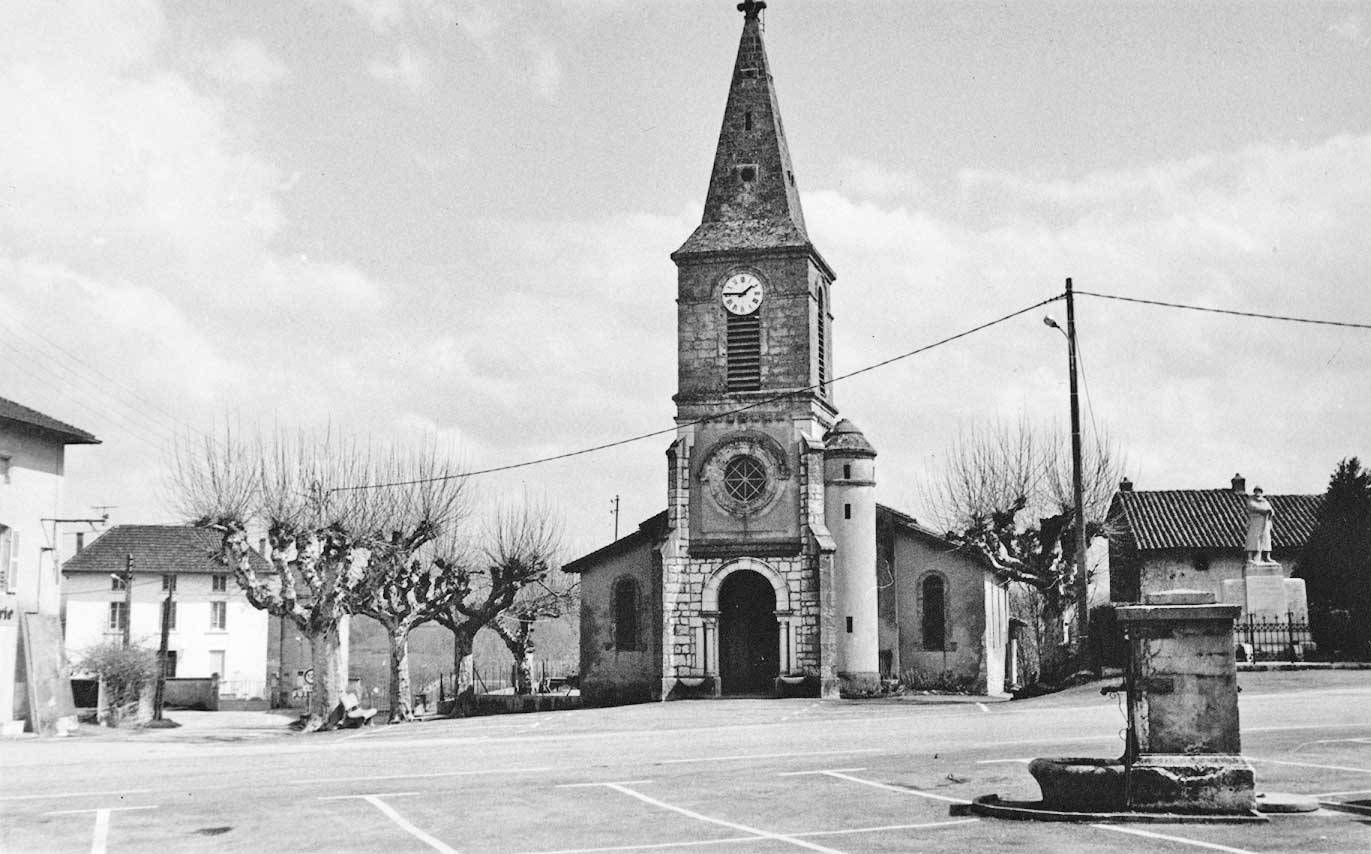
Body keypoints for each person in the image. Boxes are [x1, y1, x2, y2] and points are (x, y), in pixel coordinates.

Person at [1245, 488, 1274, 563]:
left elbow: (1271, 510)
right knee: (1253, 538)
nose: (1258, 492)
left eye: (1259, 491)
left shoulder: (1265, 501)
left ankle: (1267, 556)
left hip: (1265, 523)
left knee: (1266, 538)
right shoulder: (1251, 500)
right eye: (1256, 491)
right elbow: (1253, 507)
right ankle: (1250, 557)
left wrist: (1270, 512)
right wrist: (1264, 510)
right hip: (1255, 522)